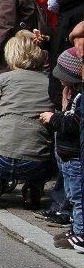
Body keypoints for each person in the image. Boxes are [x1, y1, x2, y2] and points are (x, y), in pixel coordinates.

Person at [0, 32, 54, 207]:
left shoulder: (2, 80)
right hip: (35, 162)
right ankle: (33, 188)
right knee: (51, 151)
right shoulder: (50, 82)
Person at [40, 48, 83, 248]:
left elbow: (73, 124)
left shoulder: (79, 98)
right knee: (72, 195)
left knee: (78, 196)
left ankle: (81, 233)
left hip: (74, 156)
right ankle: (76, 228)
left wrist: (53, 118)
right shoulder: (71, 94)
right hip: (65, 155)